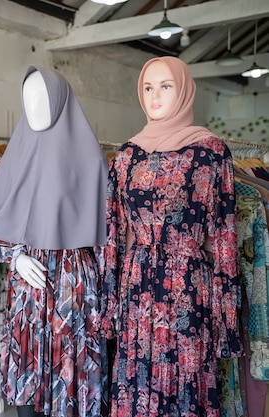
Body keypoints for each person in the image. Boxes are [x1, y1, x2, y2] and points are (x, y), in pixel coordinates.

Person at [101, 56, 243, 417]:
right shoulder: (127, 155)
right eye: (148, 88)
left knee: (185, 380)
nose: (155, 96)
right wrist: (109, 304)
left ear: (183, 90)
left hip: (187, 289)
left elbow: (225, 236)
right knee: (137, 380)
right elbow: (112, 232)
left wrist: (227, 318)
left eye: (166, 86)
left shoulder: (210, 152)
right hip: (137, 289)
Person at [0, 65, 108, 417]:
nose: (33, 105)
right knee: (27, 390)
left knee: (70, 379)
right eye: (27, 97)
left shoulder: (90, 156)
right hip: (28, 285)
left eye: (41, 96)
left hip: (72, 283)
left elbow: (108, 230)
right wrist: (14, 256)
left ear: (61, 99)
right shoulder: (18, 152)